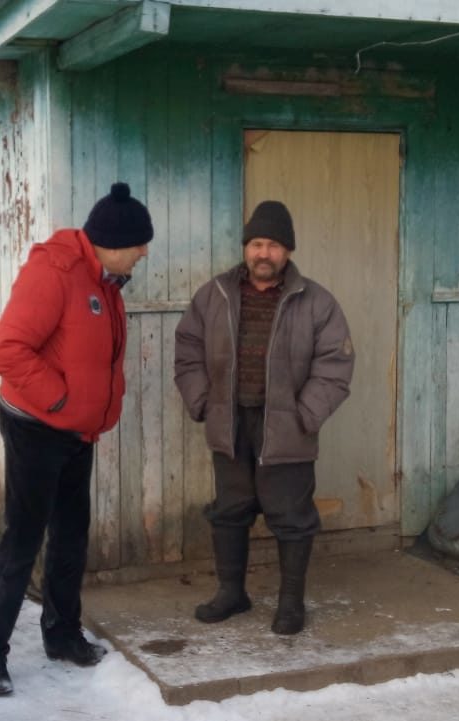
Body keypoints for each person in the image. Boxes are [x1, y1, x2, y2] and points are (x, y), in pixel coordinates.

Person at [0, 182, 153, 696]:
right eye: (139, 244)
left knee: (72, 533)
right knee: (23, 539)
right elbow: (7, 350)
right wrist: (58, 400)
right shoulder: (54, 273)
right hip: (36, 426)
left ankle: (62, 634)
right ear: (112, 242)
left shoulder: (106, 280)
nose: (144, 253)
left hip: (77, 432)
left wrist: (82, 412)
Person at [173, 199, 354, 635]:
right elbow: (188, 351)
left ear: (287, 251)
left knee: (291, 516)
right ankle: (232, 593)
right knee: (230, 510)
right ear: (246, 248)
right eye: (256, 243)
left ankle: (291, 603)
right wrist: (203, 403)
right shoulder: (213, 295)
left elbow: (335, 364)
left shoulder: (316, 301)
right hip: (230, 424)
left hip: (286, 428)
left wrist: (304, 416)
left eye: (273, 245)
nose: (263, 253)